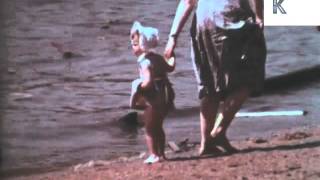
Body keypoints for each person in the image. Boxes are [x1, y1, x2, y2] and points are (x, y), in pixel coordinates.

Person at [164, 0, 266, 155]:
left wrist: (173, 37)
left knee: (210, 83)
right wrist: (259, 17)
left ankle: (206, 143)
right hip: (231, 18)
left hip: (204, 20)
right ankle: (218, 131)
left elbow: (187, 2)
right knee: (250, 76)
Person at [129, 21, 175, 163]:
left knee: (149, 128)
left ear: (143, 46)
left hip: (154, 98)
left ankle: (153, 154)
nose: (132, 46)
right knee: (158, 126)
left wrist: (138, 87)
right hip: (166, 94)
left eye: (135, 44)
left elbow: (148, 82)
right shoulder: (157, 58)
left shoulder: (144, 63)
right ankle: (161, 154)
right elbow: (170, 68)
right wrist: (172, 57)